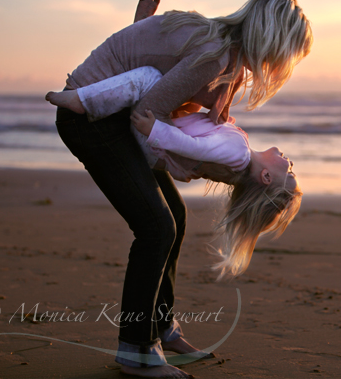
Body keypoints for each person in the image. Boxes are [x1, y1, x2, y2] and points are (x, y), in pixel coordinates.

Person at [53, 0, 312, 378]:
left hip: (121, 116)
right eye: (287, 53)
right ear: (273, 39)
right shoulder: (215, 55)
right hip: (93, 118)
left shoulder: (228, 60)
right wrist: (182, 162)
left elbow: (153, 65)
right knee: (157, 228)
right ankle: (136, 349)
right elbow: (147, 112)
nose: (281, 65)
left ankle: (161, 326)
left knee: (174, 214)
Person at [47, 66, 302, 278]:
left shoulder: (239, 154)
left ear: (266, 177)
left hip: (153, 138)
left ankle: (82, 99)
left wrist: (154, 130)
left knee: (149, 78)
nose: (291, 164)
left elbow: (192, 146)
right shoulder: (239, 154)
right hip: (158, 140)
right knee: (167, 86)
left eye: (289, 173)